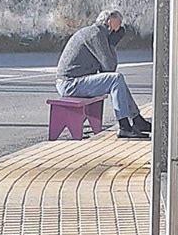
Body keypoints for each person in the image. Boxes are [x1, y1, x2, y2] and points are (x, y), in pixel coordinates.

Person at [55, 9, 152, 138]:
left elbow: (104, 69)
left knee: (118, 81)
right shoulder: (97, 35)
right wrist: (112, 44)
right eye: (119, 21)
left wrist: (110, 43)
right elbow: (110, 67)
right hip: (70, 84)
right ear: (109, 22)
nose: (121, 26)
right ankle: (124, 126)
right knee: (116, 79)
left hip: (74, 81)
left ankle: (137, 119)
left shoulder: (96, 33)